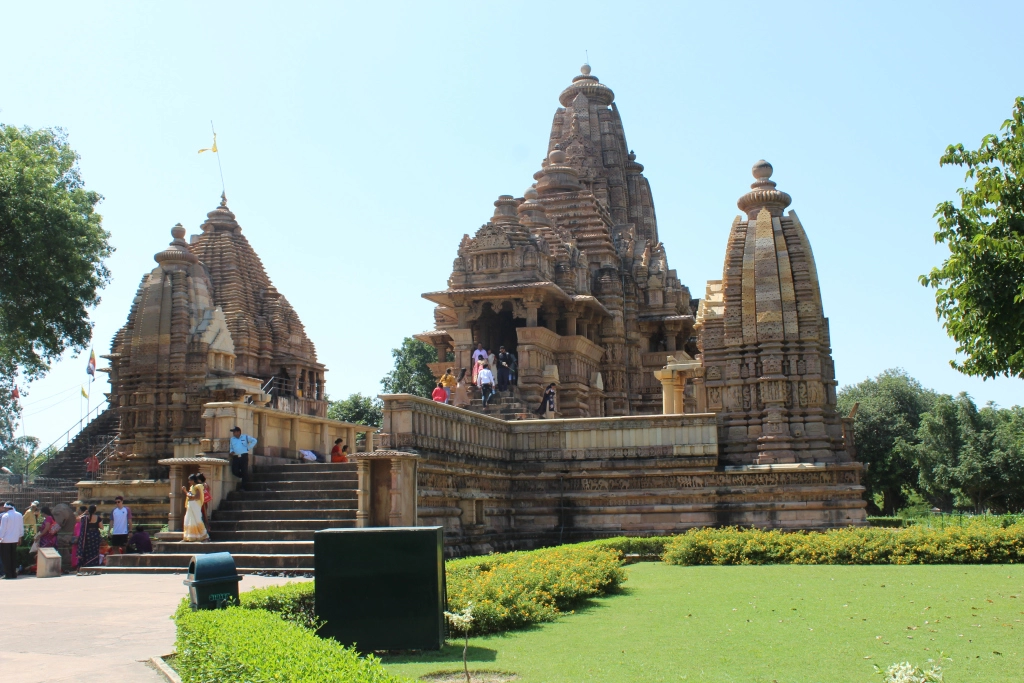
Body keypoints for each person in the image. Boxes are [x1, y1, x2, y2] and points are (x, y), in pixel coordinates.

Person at [0, 502, 24, 579]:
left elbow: (2, 528)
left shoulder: (5, 516)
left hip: (5, 540)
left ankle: (8, 574)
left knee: (6, 558)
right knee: (13, 557)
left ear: (7, 508)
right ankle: (14, 573)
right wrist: (20, 537)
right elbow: (21, 527)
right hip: (14, 539)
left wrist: (0, 537)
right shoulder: (19, 515)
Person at [182, 473, 209, 542]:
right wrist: (185, 491)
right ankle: (190, 537)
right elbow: (189, 495)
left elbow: (197, 497)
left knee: (197, 520)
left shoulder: (198, 486)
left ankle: (205, 536)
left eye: (190, 480)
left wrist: (190, 496)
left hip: (195, 505)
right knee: (189, 520)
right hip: (191, 505)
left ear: (193, 480)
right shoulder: (192, 487)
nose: (189, 482)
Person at [229, 426, 257, 490]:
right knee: (234, 471)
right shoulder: (232, 439)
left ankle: (243, 486)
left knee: (244, 470)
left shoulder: (245, 437)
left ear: (238, 432)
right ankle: (245, 477)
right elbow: (231, 447)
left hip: (244, 456)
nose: (233, 433)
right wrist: (231, 451)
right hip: (236, 456)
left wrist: (248, 448)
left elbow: (254, 441)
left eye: (234, 432)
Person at [76, 505, 103, 569]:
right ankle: (93, 564)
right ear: (95, 511)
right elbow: (102, 527)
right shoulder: (98, 518)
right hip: (95, 536)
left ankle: (85, 564)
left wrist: (84, 513)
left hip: (87, 536)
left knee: (87, 550)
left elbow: (77, 519)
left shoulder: (85, 517)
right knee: (94, 550)